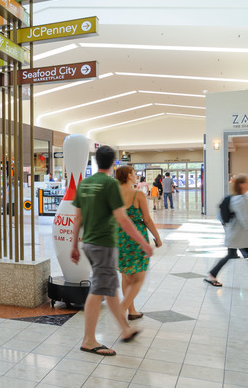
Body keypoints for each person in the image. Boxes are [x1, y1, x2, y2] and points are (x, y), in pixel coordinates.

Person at [70, 146, 153, 357]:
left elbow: (77, 217)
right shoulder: (109, 184)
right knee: (99, 290)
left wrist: (73, 245)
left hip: (88, 243)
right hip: (104, 244)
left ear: (96, 160)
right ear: (113, 163)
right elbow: (122, 219)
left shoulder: (85, 183)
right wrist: (143, 242)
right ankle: (88, 339)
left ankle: (125, 329)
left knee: (110, 289)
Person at [204, 174, 248, 291]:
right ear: (241, 184)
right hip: (238, 234)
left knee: (245, 255)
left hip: (240, 234)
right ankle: (212, 275)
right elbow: (244, 218)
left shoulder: (243, 197)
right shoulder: (239, 199)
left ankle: (212, 275)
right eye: (247, 182)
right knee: (241, 255)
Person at [115, 166, 163, 321]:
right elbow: (147, 220)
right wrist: (157, 237)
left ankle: (132, 310)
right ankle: (123, 309)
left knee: (126, 274)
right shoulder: (138, 195)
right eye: (134, 174)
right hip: (136, 239)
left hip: (120, 237)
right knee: (139, 275)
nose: (136, 176)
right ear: (129, 176)